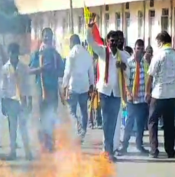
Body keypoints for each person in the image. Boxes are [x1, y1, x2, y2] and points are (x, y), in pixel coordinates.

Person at [87, 17, 130, 161]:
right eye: (111, 40)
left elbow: (129, 72)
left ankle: (109, 150)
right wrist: (90, 28)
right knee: (106, 123)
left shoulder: (123, 55)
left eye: (115, 41)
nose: (113, 43)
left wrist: (123, 68)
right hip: (105, 92)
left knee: (112, 123)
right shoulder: (102, 52)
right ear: (107, 41)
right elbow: (91, 42)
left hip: (117, 93)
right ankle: (108, 151)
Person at [146, 31, 175, 159]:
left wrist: (147, 92)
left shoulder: (158, 56)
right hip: (171, 96)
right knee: (169, 124)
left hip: (158, 94)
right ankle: (170, 150)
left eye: (157, 43)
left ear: (161, 42)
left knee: (152, 122)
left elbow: (150, 76)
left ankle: (153, 149)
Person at [31, 27, 63, 153]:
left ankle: (50, 144)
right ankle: (42, 143)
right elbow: (29, 71)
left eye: (49, 36)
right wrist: (41, 69)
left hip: (53, 91)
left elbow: (62, 71)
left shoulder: (56, 54)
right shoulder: (36, 54)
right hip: (40, 91)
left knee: (51, 117)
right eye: (45, 36)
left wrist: (55, 71)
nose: (47, 38)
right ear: (42, 37)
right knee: (42, 118)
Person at [0, 42, 33, 160]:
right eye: (10, 53)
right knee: (12, 128)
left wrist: (30, 100)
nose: (12, 55)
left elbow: (28, 85)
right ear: (8, 53)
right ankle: (12, 151)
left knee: (23, 127)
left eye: (14, 53)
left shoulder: (24, 68)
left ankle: (28, 152)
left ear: (17, 54)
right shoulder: (5, 68)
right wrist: (3, 103)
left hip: (22, 100)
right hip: (11, 101)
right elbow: (3, 87)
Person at [62, 34, 94, 143]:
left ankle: (78, 127)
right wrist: (92, 85)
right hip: (84, 86)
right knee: (84, 111)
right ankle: (83, 133)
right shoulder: (87, 54)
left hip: (73, 86)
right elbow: (91, 71)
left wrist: (64, 86)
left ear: (72, 42)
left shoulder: (71, 54)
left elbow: (67, 72)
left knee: (71, 111)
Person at [120, 38, 149, 154]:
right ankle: (124, 146)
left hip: (142, 98)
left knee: (141, 124)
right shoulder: (129, 62)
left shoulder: (145, 63)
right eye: (138, 48)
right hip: (132, 98)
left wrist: (148, 93)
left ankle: (139, 145)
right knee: (129, 123)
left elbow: (148, 79)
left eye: (142, 49)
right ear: (134, 49)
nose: (140, 51)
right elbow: (126, 80)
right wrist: (128, 93)